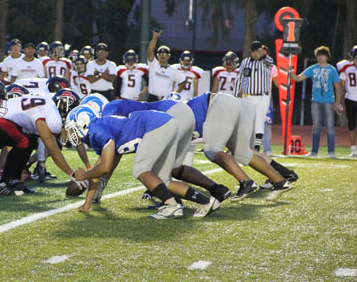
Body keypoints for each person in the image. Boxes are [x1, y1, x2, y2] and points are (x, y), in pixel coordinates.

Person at [69, 107, 220, 218]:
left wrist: (85, 175)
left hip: (156, 125)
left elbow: (106, 166)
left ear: (83, 123)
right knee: (162, 180)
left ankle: (172, 205)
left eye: (73, 128)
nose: (71, 133)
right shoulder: (100, 127)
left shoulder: (97, 130)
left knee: (141, 170)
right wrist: (87, 203)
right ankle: (207, 201)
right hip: (166, 122)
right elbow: (99, 170)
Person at [184, 92, 298, 201]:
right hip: (237, 104)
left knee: (212, 151)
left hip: (219, 104)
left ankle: (247, 183)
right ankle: (280, 182)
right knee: (242, 153)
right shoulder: (179, 106)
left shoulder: (173, 114)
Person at [288, 46, 342, 158]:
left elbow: (338, 87)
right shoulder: (312, 68)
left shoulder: (332, 70)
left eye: (322, 55)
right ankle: (314, 152)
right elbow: (298, 78)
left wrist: (337, 102)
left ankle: (331, 152)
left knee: (330, 127)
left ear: (327, 57)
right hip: (316, 101)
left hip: (329, 101)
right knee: (316, 127)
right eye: (318, 55)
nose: (320, 57)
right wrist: (290, 72)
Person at [233, 41, 274, 151]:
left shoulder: (266, 61)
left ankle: (256, 147)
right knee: (247, 120)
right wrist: (235, 95)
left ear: (261, 51)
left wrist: (263, 54)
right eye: (253, 52)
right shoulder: (245, 62)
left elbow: (270, 62)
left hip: (262, 96)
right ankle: (245, 145)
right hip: (248, 96)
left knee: (260, 120)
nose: (255, 54)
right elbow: (239, 79)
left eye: (258, 51)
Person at [146, 30, 186, 101]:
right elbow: (150, 51)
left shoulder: (173, 70)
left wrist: (175, 94)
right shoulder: (153, 64)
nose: (162, 55)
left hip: (166, 100)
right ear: (157, 56)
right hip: (152, 99)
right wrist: (154, 39)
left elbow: (182, 82)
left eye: (165, 54)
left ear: (169, 56)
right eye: (160, 54)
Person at [339, 45, 357, 156]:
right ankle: (353, 150)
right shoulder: (346, 68)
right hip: (350, 99)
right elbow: (341, 85)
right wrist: (339, 101)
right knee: (351, 125)